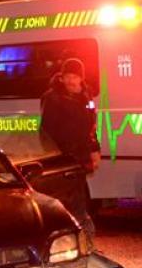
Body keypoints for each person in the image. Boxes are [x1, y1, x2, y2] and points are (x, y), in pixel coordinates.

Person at [40, 57, 101, 233]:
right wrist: (52, 156)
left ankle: (81, 235)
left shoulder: (86, 96)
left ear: (81, 78)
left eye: (74, 76)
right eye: (67, 76)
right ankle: (79, 235)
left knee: (79, 198)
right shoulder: (52, 98)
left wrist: (94, 150)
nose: (70, 80)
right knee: (69, 200)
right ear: (62, 77)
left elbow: (91, 126)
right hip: (62, 157)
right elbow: (46, 131)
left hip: (80, 156)